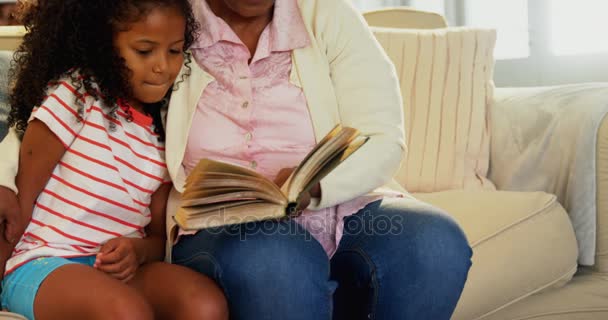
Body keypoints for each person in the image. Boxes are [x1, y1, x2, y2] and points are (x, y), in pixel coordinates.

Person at [0, 0, 472, 319]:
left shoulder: (325, 13)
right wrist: (4, 181)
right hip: (223, 221)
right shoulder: (170, 15)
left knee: (434, 242)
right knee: (274, 256)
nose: (162, 61)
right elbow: (63, 110)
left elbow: (384, 135)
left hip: (339, 204)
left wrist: (317, 188)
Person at [0, 0, 228, 319]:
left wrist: (137, 251)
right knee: (124, 310)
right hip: (44, 263)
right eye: (145, 51)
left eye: (174, 51)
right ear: (103, 45)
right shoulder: (76, 95)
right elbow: (16, 207)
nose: (162, 66)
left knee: (204, 304)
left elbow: (157, 238)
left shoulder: (166, 128)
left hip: (116, 273)